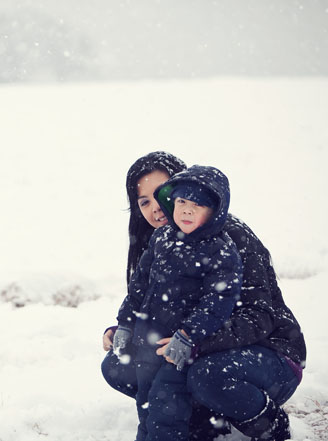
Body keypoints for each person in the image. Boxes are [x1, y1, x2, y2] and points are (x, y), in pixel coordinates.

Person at [101, 152, 307, 441]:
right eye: (144, 201)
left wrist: (194, 343)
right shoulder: (164, 242)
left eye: (162, 194)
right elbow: (153, 307)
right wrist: (127, 328)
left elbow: (259, 319)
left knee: (204, 374)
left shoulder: (227, 240)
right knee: (120, 364)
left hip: (270, 355)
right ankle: (205, 421)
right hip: (199, 351)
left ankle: (269, 424)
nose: (156, 208)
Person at [114, 164, 243, 441]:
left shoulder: (220, 249)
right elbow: (139, 287)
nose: (186, 210)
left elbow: (218, 301)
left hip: (178, 347)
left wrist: (187, 335)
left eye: (197, 205)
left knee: (166, 403)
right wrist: (124, 324)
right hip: (147, 339)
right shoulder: (161, 238)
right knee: (146, 400)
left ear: (215, 212)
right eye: (181, 201)